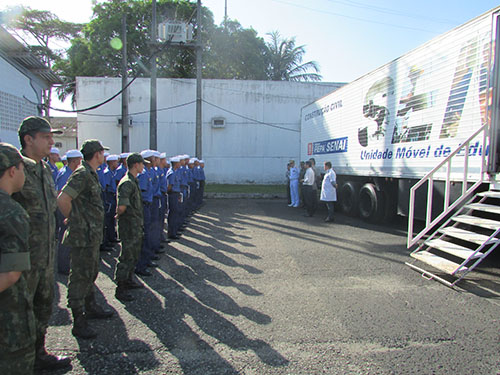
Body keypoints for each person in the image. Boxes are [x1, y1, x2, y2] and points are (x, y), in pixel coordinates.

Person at [12, 116, 71, 371]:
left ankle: (38, 354)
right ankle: (20, 361)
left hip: (46, 254)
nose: (51, 141)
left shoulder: (45, 168)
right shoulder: (16, 168)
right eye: (46, 136)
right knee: (19, 314)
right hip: (23, 259)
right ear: (28, 139)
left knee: (43, 306)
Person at [57, 139, 114, 340]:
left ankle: (90, 306)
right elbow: (63, 199)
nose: (104, 155)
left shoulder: (91, 173)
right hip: (82, 236)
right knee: (80, 276)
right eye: (102, 152)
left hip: (91, 235)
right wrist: (75, 220)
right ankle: (78, 320)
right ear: (96, 154)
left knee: (90, 272)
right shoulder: (82, 174)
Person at [0, 143, 36, 375]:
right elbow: (11, 273)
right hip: (9, 322)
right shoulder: (11, 212)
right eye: (23, 168)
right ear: (13, 170)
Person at [114, 153, 148, 302]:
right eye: (142, 164)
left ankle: (129, 279)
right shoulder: (127, 182)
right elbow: (121, 206)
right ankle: (120, 288)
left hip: (135, 224)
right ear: (136, 165)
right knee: (126, 255)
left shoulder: (134, 181)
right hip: (129, 225)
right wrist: (119, 215)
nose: (143, 166)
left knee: (133, 254)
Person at [55, 149, 83, 275]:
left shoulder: (68, 171)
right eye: (79, 161)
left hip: (68, 208)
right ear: (75, 161)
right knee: (65, 237)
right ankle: (64, 266)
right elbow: (61, 195)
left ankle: (66, 263)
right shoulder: (66, 174)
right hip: (65, 209)